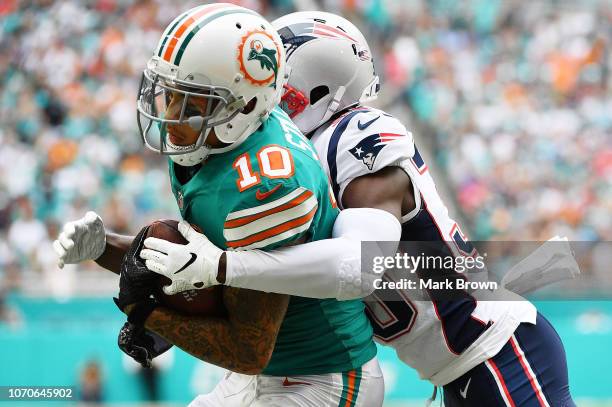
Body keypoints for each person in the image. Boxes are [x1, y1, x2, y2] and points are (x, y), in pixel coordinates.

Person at [139, 11, 576, 407]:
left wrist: (225, 267)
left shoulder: (355, 136)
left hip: (496, 350)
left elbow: (358, 266)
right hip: (458, 368)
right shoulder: (288, 155)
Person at [53, 4, 383, 407]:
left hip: (318, 377)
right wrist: (103, 248)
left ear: (243, 107)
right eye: (171, 95)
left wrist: (147, 314)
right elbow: (192, 264)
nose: (171, 116)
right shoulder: (221, 141)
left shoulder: (264, 187)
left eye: (193, 105)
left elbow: (247, 349)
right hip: (273, 372)